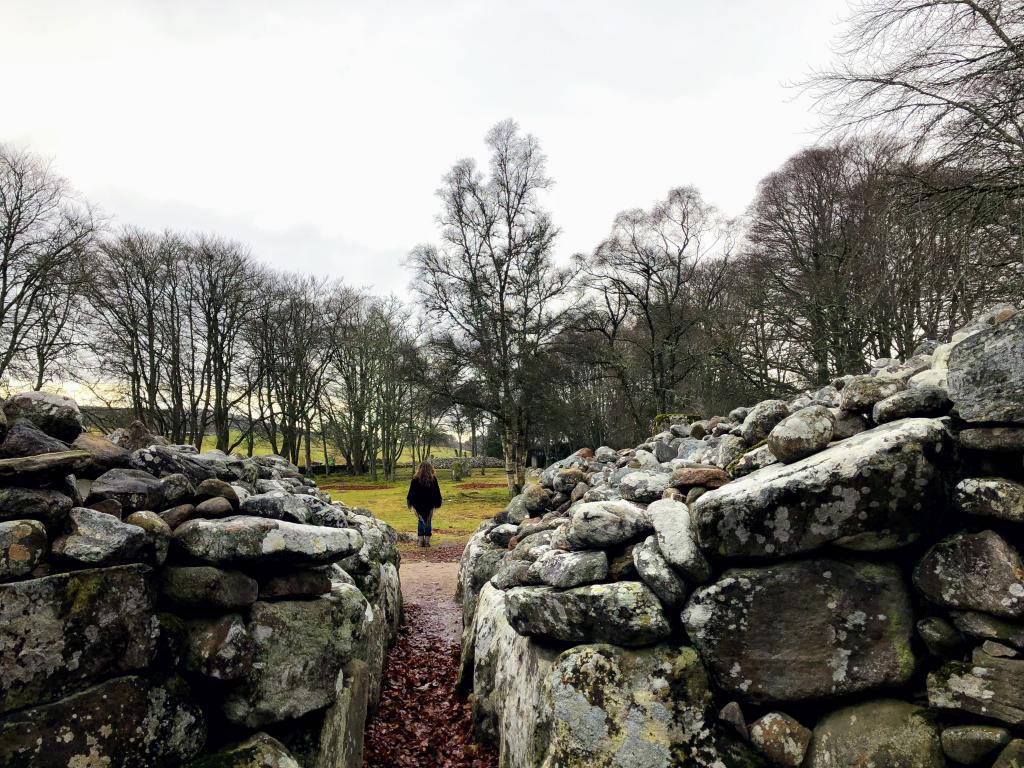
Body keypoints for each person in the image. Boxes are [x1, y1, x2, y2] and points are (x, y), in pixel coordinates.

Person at [406, 461, 442, 547]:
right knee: (428, 521)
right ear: (430, 468)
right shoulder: (433, 479)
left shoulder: (415, 479)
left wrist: (411, 503)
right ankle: (427, 542)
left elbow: (411, 493)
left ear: (420, 468)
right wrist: (437, 503)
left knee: (421, 521)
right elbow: (437, 492)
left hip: (418, 505)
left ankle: (420, 541)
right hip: (429, 505)